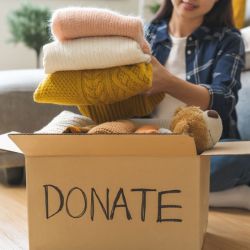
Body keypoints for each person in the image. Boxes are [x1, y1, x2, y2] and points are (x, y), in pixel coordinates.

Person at [144, 0, 250, 210]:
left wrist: (168, 82)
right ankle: (225, 196)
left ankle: (151, 186)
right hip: (151, 144)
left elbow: (223, 102)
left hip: (207, 149)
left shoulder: (228, 39)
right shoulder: (147, 35)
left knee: (240, 159)